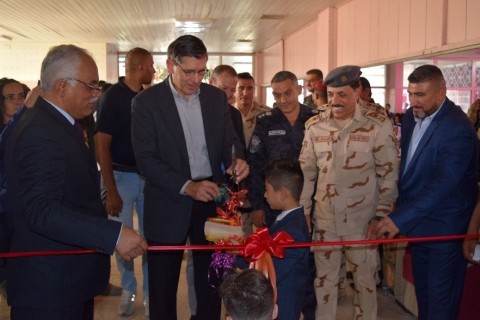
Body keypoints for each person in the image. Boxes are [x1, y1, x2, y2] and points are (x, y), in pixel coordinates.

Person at [4, 44, 147, 320]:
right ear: (60, 86)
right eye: (90, 86)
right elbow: (41, 211)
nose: (96, 95)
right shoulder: (39, 132)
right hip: (48, 288)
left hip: (66, 279)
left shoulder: (59, 124)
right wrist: (113, 234)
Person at [131, 35, 249, 320]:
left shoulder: (215, 98)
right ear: (171, 65)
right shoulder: (146, 103)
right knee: (162, 285)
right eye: (189, 72)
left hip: (211, 199)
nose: (196, 79)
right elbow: (146, 161)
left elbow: (229, 143)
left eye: (201, 71)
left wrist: (236, 161)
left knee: (212, 281)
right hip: (167, 201)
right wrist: (188, 186)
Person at [372, 64, 478, 320]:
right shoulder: (410, 117)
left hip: (445, 231)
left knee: (440, 304)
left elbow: (442, 185)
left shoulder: (458, 129)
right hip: (419, 227)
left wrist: (399, 219)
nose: (414, 101)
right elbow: (411, 169)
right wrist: (400, 206)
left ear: (441, 92)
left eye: (421, 95)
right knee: (425, 300)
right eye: (411, 93)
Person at [299, 65, 399, 320]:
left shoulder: (377, 125)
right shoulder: (314, 126)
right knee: (324, 284)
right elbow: (307, 174)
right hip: (325, 221)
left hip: (363, 222)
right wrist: (304, 212)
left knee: (365, 285)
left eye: (342, 94)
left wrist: (381, 215)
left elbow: (388, 174)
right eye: (331, 95)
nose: (335, 101)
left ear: (357, 91)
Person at [246, 70, 317, 319]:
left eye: (288, 93)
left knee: (309, 270)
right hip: (274, 206)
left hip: (308, 207)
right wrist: (256, 204)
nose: (283, 99)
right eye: (277, 95)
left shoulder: (315, 119)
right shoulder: (265, 122)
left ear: (299, 89)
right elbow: (254, 166)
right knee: (277, 268)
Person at [95, 47, 155, 317]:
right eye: (152, 66)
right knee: (123, 240)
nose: (154, 71)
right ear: (141, 66)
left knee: (151, 238)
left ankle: (151, 295)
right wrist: (111, 190)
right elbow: (102, 147)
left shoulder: (147, 97)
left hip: (148, 179)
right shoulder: (112, 98)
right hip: (121, 178)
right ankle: (129, 290)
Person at [260, 158, 310, 319]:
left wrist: (235, 259)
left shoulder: (294, 232)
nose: (264, 194)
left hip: (284, 307)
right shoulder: (286, 219)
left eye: (267, 189)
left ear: (282, 193)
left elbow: (271, 271)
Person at [209, 64, 246, 153]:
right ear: (211, 82)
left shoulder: (235, 114)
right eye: (224, 88)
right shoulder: (197, 109)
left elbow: (239, 148)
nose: (228, 94)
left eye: (232, 90)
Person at [234, 72, 271, 147]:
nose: (245, 93)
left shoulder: (267, 113)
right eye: (241, 88)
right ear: (234, 90)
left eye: (249, 88)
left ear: (254, 90)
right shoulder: (227, 112)